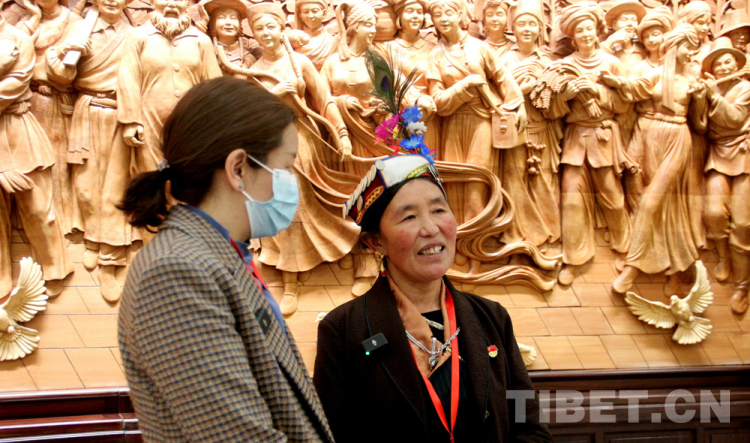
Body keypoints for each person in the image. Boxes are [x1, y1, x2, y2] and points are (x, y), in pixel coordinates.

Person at [117, 77, 334, 443]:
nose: (291, 182)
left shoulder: (220, 256)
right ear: (238, 169)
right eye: (286, 166)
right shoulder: (176, 272)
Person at [313, 154, 552, 443]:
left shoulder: (492, 318)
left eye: (438, 210)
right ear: (376, 241)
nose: (430, 229)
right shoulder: (343, 330)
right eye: (409, 217)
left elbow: (526, 420)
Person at [605, 24, 707, 295]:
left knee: (651, 202)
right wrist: (616, 82)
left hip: (676, 138)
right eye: (687, 47)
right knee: (656, 204)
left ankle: (631, 269)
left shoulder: (691, 81)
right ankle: (674, 271)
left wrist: (700, 99)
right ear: (675, 47)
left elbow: (700, 125)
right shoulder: (655, 75)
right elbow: (634, 88)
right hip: (649, 136)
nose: (691, 53)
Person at [46, 0, 136, 302]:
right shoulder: (80, 28)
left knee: (115, 185)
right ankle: (93, 238)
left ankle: (111, 258)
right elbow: (59, 76)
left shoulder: (133, 33)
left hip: (120, 113)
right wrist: (66, 52)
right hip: (86, 110)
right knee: (85, 183)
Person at [542, 2, 632, 285]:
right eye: (579, 30)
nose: (585, 34)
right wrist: (565, 96)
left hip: (603, 136)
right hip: (575, 138)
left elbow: (624, 105)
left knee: (613, 197)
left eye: (589, 28)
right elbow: (550, 111)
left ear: (597, 31)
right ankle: (574, 258)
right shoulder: (562, 67)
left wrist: (597, 92)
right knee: (571, 199)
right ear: (572, 37)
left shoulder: (611, 63)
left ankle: (624, 247)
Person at [117, 0, 222, 175]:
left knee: (188, 176)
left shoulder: (201, 40)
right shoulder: (138, 36)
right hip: (150, 122)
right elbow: (128, 78)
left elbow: (214, 85)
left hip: (191, 123)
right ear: (152, 2)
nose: (172, 4)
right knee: (152, 175)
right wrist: (131, 121)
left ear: (187, 4)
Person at [701, 37, 750, 314]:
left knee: (742, 224)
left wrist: (713, 97)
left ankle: (742, 286)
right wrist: (699, 98)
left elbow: (734, 118)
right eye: (718, 63)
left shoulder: (745, 88)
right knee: (714, 212)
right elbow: (701, 125)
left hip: (744, 154)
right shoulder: (711, 88)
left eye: (727, 61)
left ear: (736, 63)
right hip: (718, 153)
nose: (723, 67)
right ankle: (723, 257)